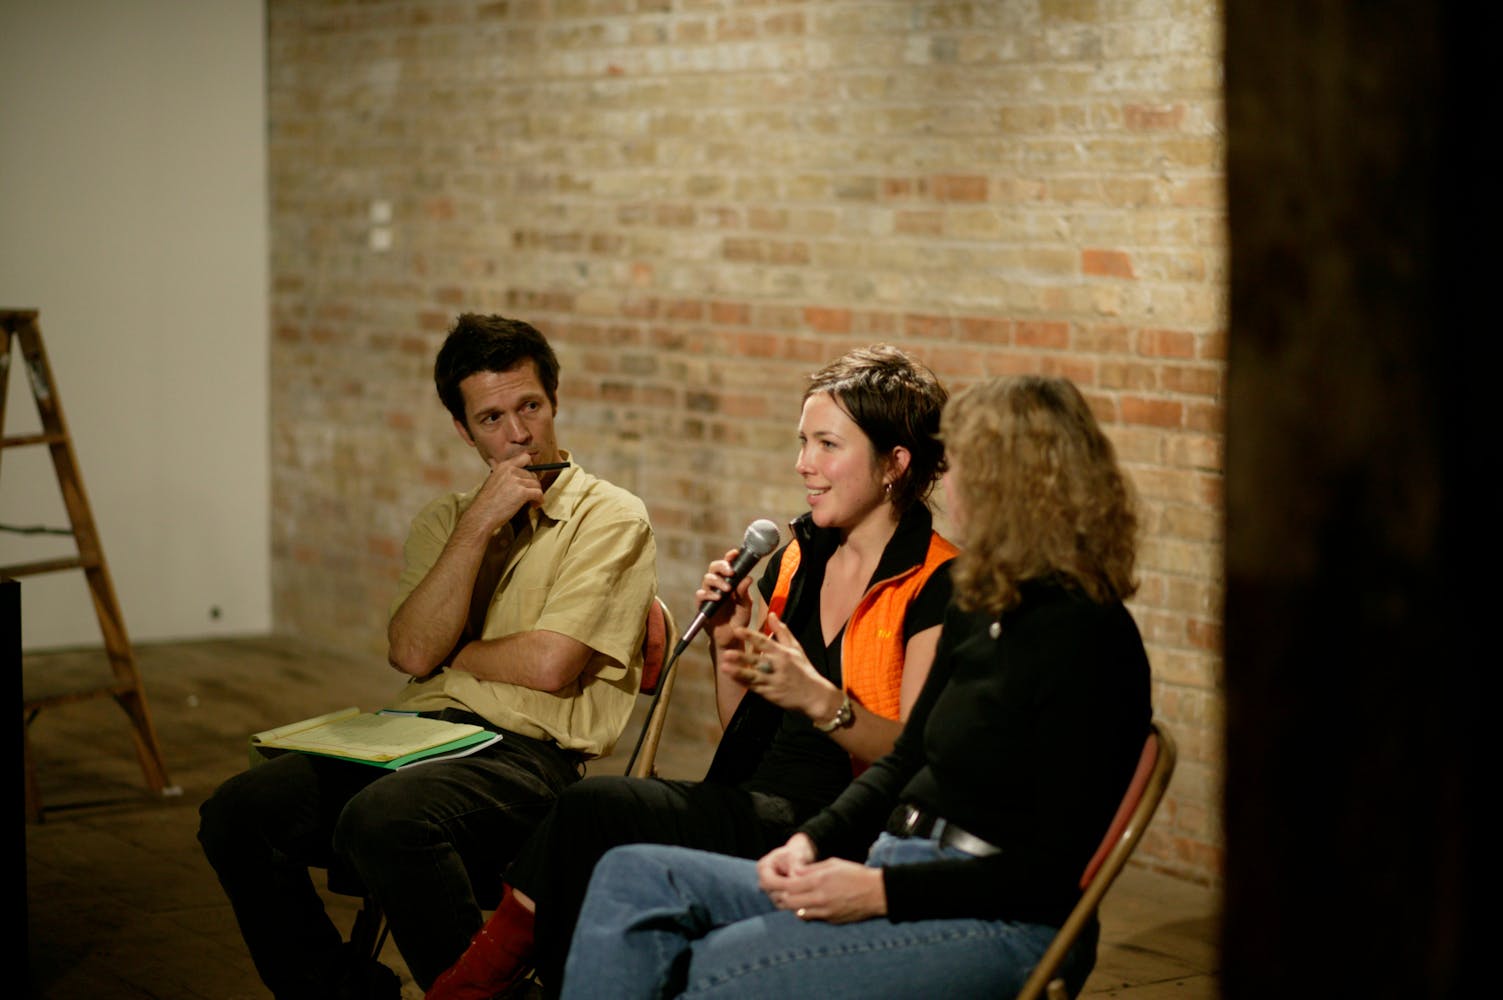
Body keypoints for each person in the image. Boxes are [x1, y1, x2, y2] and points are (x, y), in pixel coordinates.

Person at [558, 374, 1153, 999]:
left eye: (964, 466)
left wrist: (878, 891)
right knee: (634, 878)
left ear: (1020, 483)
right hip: (899, 860)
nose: (948, 484)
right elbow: (906, 759)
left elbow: (1050, 874)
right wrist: (814, 841)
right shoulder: (987, 606)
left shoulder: (1091, 639)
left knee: (713, 964)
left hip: (996, 918)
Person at [428, 344, 958, 999]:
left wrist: (822, 703)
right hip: (755, 799)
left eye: (826, 445)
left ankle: (481, 981)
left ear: (893, 464)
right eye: (801, 442)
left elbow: (918, 762)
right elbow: (746, 731)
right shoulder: (801, 556)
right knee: (598, 827)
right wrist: (729, 638)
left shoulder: (936, 581)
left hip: (843, 826)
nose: (803, 465)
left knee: (596, 809)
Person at [197, 314, 658, 999]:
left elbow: (550, 666)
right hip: (417, 738)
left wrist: (457, 653)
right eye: (492, 418)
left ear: (553, 401)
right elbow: (411, 651)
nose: (519, 433)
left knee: (385, 819)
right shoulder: (446, 521)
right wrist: (478, 525)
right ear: (464, 431)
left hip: (529, 756)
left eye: (529, 406)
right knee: (238, 812)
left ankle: (480, 995)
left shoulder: (609, 515)